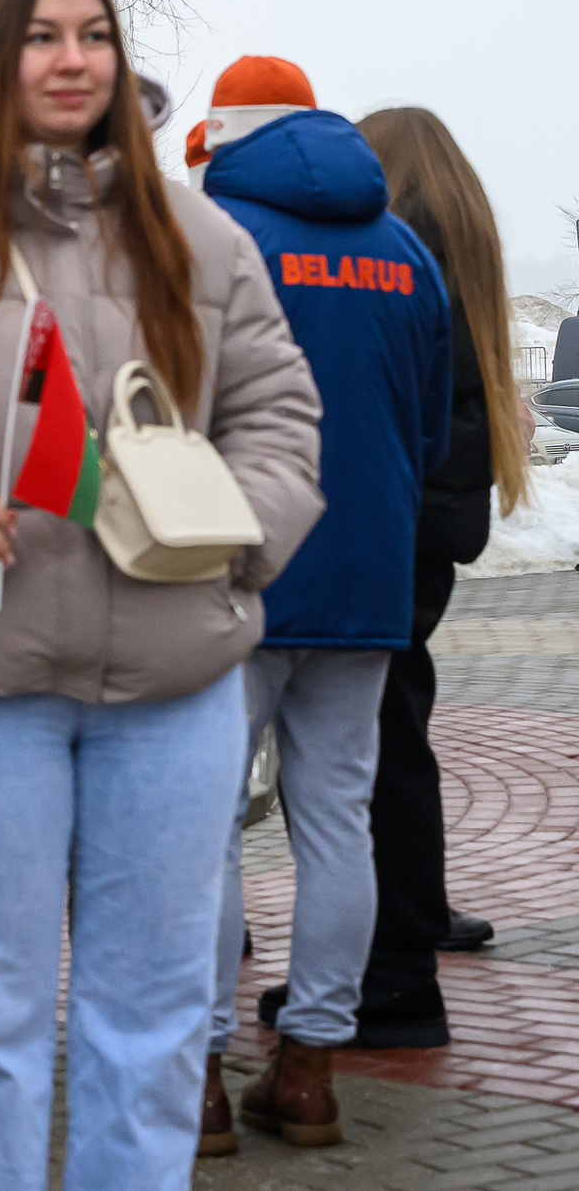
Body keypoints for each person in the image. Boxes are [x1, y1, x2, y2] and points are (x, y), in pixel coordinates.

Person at [0, 0, 321, 1190]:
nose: (72, 57)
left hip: (175, 690)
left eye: (92, 33)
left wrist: (234, 542)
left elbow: (278, 414)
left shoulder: (198, 239)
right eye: (41, 35)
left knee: (148, 1016)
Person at [191, 60, 450, 1150]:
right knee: (336, 821)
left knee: (198, 831)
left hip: (233, 568)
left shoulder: (215, 240)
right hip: (364, 575)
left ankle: (195, 1076)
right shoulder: (405, 252)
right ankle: (308, 1072)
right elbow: (428, 428)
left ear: (224, 139)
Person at [343, 108, 538, 1043]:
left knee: (380, 742)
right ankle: (415, 919)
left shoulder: (402, 241)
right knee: (400, 719)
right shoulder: (464, 234)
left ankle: (400, 952)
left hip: (397, 517)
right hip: (436, 518)